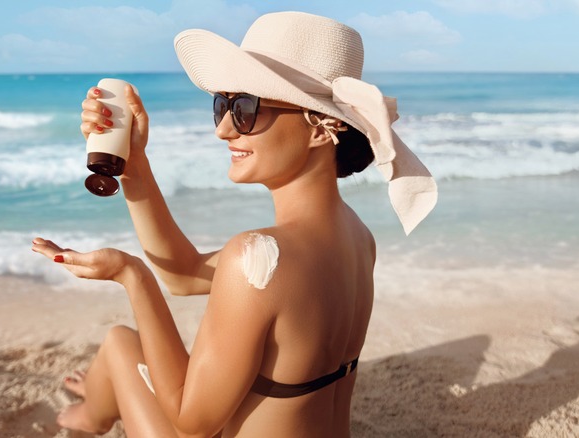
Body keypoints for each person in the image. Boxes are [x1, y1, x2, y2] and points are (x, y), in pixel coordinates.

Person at [32, 11, 437, 437]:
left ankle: (91, 415)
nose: (224, 129)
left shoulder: (256, 256)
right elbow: (185, 275)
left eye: (246, 109)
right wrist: (135, 164)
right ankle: (98, 404)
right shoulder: (357, 236)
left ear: (323, 129)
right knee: (120, 347)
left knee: (118, 347)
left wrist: (131, 275)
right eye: (222, 105)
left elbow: (192, 425)